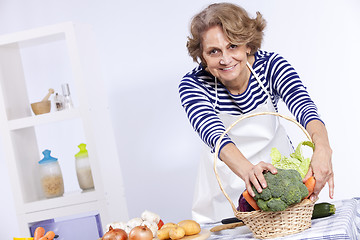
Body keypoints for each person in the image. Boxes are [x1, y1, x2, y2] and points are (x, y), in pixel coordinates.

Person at [178, 2, 334, 223]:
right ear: (202, 56)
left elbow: (304, 108)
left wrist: (323, 149)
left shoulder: (272, 66)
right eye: (214, 51)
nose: (225, 59)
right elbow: (214, 134)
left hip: (278, 183)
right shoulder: (193, 84)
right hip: (224, 192)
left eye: (233, 46)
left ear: (248, 45)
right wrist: (250, 172)